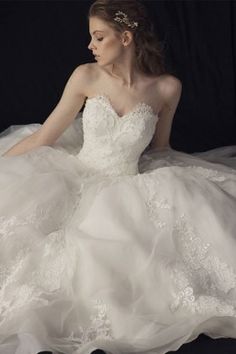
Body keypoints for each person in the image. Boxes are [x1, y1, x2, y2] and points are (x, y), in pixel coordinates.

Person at [0, 0, 236, 354]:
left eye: (99, 37)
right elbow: (44, 137)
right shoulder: (86, 76)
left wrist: (183, 177)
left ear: (126, 38)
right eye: (91, 38)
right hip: (77, 174)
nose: (90, 46)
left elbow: (160, 150)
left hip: (127, 181)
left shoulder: (167, 88)